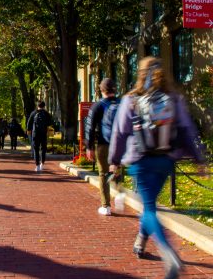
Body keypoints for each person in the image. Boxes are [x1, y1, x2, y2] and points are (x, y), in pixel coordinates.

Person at [108, 57, 205, 279]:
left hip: (141, 160)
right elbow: (187, 130)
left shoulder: (131, 99)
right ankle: (141, 242)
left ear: (139, 74)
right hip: (165, 160)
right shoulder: (173, 99)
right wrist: (199, 159)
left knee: (149, 208)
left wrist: (114, 160)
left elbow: (120, 132)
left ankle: (169, 252)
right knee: (149, 204)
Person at [84, 78, 120, 216]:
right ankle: (119, 195)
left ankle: (106, 206)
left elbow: (90, 127)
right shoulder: (122, 103)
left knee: (103, 174)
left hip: (104, 144)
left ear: (101, 90)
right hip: (119, 145)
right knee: (116, 171)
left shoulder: (98, 106)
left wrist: (89, 146)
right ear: (114, 89)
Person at [27, 101, 52, 172]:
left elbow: (29, 123)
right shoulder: (46, 113)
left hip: (35, 134)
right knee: (43, 149)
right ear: (44, 106)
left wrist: (29, 131)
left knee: (36, 149)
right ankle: (42, 164)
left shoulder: (34, 113)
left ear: (37, 106)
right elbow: (50, 122)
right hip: (43, 133)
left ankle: (37, 166)